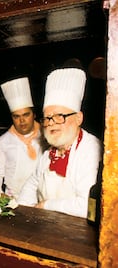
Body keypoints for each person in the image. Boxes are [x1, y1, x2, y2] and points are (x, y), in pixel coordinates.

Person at [17, 68, 102, 218]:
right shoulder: (49, 153)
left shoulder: (91, 150)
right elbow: (33, 182)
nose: (51, 123)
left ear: (78, 118)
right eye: (47, 118)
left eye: (59, 116)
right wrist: (21, 210)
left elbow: (87, 206)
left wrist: (45, 205)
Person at [0, 77, 43, 200]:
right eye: (16, 116)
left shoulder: (48, 137)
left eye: (26, 115)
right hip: (14, 200)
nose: (22, 121)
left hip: (42, 199)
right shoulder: (2, 142)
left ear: (34, 114)